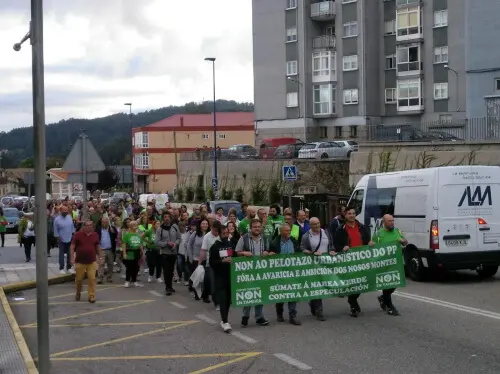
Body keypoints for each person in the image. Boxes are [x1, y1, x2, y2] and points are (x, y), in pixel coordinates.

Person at [334, 206, 374, 317]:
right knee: (353, 283)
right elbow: (336, 245)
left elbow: (367, 241)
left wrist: (370, 243)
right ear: (345, 215)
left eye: (353, 213)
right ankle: (352, 304)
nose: (352, 215)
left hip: (362, 260)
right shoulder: (340, 229)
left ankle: (352, 300)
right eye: (349, 213)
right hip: (349, 262)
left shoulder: (362, 227)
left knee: (361, 283)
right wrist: (343, 248)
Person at [235, 218, 270, 327]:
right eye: (255, 227)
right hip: (248, 272)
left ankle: (259, 317)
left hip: (261, 271)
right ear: (250, 228)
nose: (257, 229)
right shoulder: (244, 238)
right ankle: (245, 316)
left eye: (259, 227)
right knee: (249, 293)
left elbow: (269, 251)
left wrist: (267, 252)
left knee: (260, 294)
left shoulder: (264, 238)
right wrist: (244, 253)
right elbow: (237, 252)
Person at [372, 214, 408, 316]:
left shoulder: (397, 231)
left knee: (395, 283)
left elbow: (405, 243)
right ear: (384, 222)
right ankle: (390, 306)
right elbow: (372, 248)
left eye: (393, 221)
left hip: (395, 263)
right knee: (387, 284)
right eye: (389, 221)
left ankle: (383, 298)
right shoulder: (379, 234)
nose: (392, 223)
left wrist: (403, 241)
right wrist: (371, 244)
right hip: (384, 264)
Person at [301, 217, 333, 321]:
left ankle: (312, 302)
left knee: (325, 286)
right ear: (310, 225)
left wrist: (332, 250)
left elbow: (331, 245)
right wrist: (310, 252)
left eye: (318, 223)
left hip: (326, 264)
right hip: (314, 265)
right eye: (314, 224)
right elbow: (302, 248)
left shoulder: (326, 232)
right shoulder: (306, 236)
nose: (317, 226)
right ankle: (319, 311)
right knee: (318, 287)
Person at [270, 223, 301, 325]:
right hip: (280, 272)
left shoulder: (293, 240)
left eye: (289, 230)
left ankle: (293, 315)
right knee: (281, 294)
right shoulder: (274, 243)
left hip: (292, 272)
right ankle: (279, 314)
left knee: (292, 292)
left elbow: (299, 252)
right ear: (281, 231)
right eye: (286, 231)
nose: (288, 232)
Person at [209, 225, 235, 333]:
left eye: (226, 233)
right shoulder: (215, 247)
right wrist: (222, 261)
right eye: (223, 233)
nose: (225, 235)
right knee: (223, 299)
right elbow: (211, 262)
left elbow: (235, 255)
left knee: (228, 299)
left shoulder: (230, 244)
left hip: (230, 276)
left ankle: (225, 319)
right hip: (220, 277)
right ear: (219, 234)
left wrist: (243, 253)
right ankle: (225, 321)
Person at [70, 220, 102, 303]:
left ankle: (91, 296)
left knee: (92, 279)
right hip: (80, 261)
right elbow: (72, 247)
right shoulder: (77, 235)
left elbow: (98, 246)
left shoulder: (95, 235)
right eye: (87, 225)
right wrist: (72, 258)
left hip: (92, 261)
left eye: (91, 225)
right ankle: (78, 292)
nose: (89, 227)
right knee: (79, 280)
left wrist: (100, 257)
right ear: (84, 226)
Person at [155, 212, 181, 296]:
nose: (167, 218)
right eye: (165, 217)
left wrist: (175, 244)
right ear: (163, 218)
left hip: (173, 253)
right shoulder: (160, 229)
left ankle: (170, 286)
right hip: (164, 253)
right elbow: (157, 242)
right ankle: (167, 287)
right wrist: (166, 243)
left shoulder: (174, 227)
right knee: (166, 271)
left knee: (171, 270)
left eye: (168, 217)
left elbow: (179, 238)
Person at [199, 220, 221, 306]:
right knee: (209, 281)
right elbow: (203, 250)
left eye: (217, 231)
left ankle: (220, 300)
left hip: (221, 263)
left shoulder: (222, 235)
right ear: (211, 228)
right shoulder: (207, 236)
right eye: (214, 231)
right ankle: (207, 296)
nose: (216, 233)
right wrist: (199, 263)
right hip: (210, 263)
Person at [121, 221, 144, 288]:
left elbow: (140, 244)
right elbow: (124, 244)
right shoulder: (127, 235)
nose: (136, 227)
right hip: (130, 252)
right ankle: (127, 281)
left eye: (136, 225)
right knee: (129, 267)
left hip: (137, 252)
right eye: (134, 225)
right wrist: (124, 253)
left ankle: (134, 280)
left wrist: (142, 252)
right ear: (131, 227)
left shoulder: (138, 235)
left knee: (136, 267)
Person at [53, 206, 76, 274]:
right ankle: (61, 268)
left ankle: (69, 267)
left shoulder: (69, 217)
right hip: (61, 239)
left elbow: (72, 228)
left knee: (69, 254)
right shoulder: (57, 219)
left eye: (66, 211)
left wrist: (73, 236)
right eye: (64, 211)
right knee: (61, 254)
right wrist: (57, 238)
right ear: (60, 211)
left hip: (70, 238)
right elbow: (55, 230)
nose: (65, 213)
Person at [95, 216, 117, 284]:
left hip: (110, 249)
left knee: (110, 264)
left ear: (108, 222)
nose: (105, 223)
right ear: (101, 223)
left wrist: (114, 232)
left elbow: (116, 236)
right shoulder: (98, 229)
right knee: (101, 264)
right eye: (103, 222)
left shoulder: (112, 228)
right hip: (101, 250)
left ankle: (109, 277)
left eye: (106, 222)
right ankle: (100, 278)